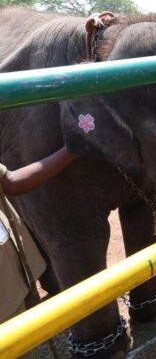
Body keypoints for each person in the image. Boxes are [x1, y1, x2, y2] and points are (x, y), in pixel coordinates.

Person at [1, 147, 78, 357]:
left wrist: (72, 149)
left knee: (25, 337)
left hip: (13, 263)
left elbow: (10, 182)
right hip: (4, 291)